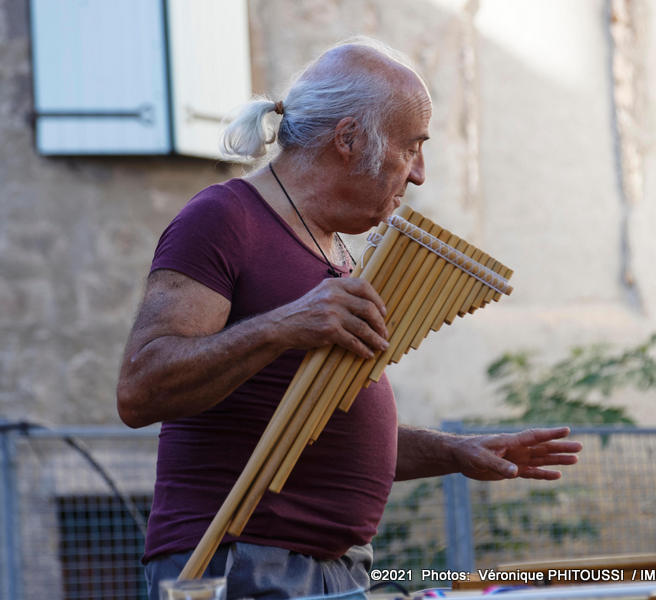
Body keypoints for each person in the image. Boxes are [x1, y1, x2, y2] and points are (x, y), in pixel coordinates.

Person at [116, 38, 582, 600]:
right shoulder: (222, 219)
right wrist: (283, 325)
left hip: (340, 568)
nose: (419, 176)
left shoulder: (336, 251)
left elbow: (315, 422)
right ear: (349, 139)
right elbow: (141, 387)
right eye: (412, 148)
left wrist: (456, 453)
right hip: (236, 562)